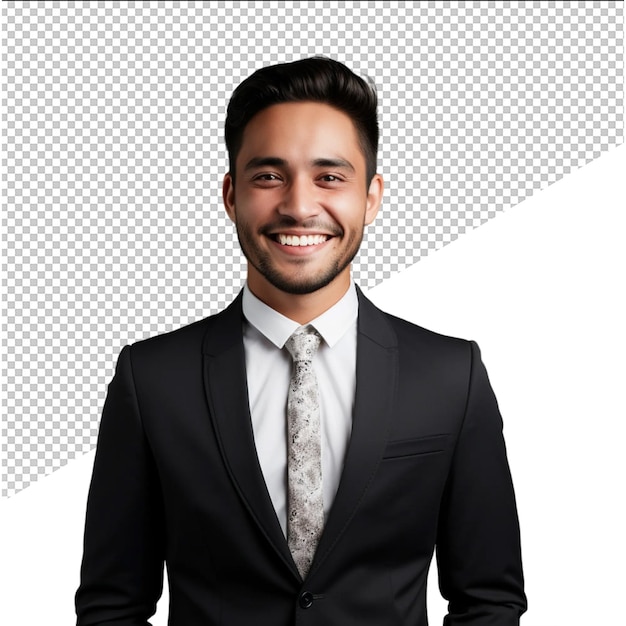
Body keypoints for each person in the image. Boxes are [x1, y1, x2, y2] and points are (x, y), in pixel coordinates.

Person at [76, 56, 526, 626]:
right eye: (269, 176)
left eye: (330, 177)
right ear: (230, 194)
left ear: (372, 196)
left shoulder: (449, 375)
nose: (298, 204)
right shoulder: (152, 379)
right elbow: (112, 606)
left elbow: (489, 599)